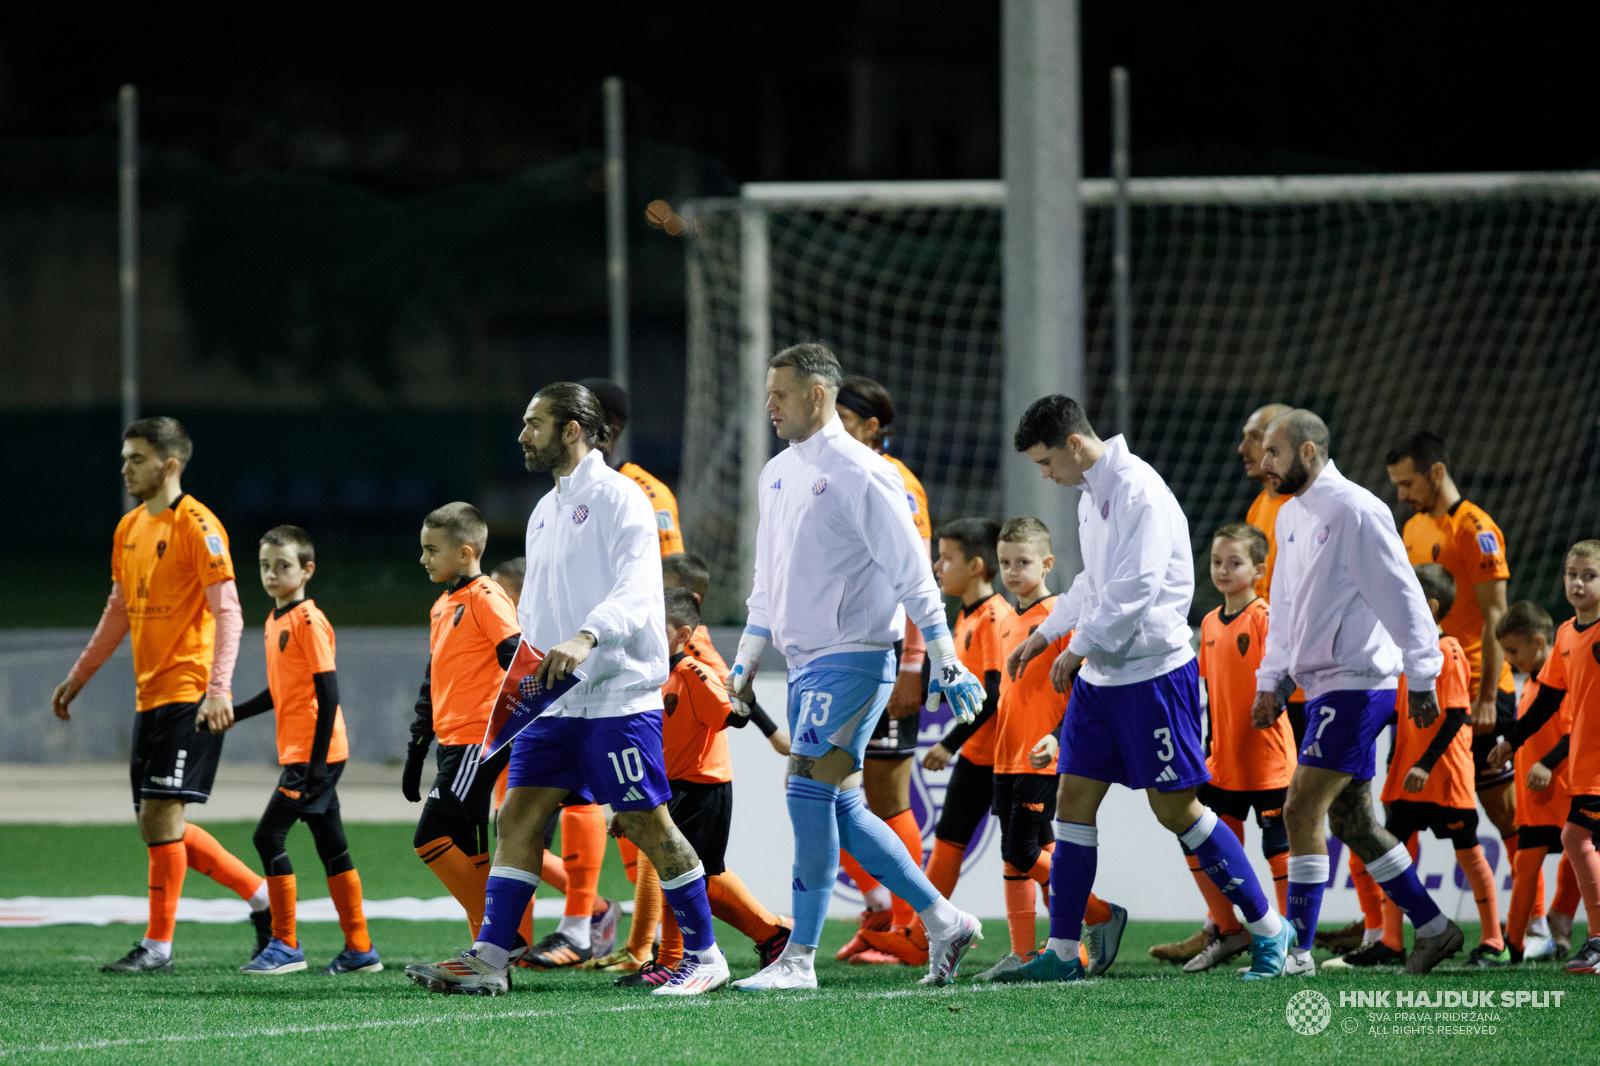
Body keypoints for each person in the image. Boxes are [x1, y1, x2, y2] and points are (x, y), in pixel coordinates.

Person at [406, 382, 728, 996]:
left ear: (574, 428)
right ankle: (492, 957)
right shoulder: (544, 509)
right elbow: (537, 613)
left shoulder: (620, 497)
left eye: (534, 424)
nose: (522, 435)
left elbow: (639, 591)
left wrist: (587, 637)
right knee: (518, 816)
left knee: (647, 823)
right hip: (554, 701)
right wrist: (520, 684)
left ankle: (706, 955)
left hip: (614, 695)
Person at [997, 396, 1290, 983]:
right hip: (1105, 678)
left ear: (1074, 446)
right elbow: (1093, 582)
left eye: (1046, 461)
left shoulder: (1139, 491)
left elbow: (1135, 588)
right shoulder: (1091, 496)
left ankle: (1267, 929)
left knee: (1176, 810)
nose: (1045, 474)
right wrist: (1051, 633)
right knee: (1072, 800)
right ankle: (1061, 953)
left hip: (1153, 675)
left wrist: (1077, 648)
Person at [725, 343, 984, 991]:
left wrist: (942, 653)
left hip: (856, 661)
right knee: (840, 805)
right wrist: (747, 657)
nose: (769, 406)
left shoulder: (864, 472)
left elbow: (911, 573)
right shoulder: (778, 472)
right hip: (809, 664)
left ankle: (798, 960)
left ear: (817, 396)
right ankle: (945, 919)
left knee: (806, 795)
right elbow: (768, 577)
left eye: (779, 394)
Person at [52, 417, 269, 973]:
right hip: (149, 697)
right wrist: (80, 675)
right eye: (125, 457)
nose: (125, 467)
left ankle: (158, 946)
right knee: (158, 824)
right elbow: (118, 610)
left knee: (161, 818)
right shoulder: (129, 528)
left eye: (135, 458)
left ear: (168, 465)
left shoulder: (199, 526)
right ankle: (262, 898)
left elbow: (230, 611)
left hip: (190, 693)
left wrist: (218, 689)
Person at [1253, 408, 1462, 976]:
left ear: (1308, 453)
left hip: (1356, 684)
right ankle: (1437, 928)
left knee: (1299, 808)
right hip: (1324, 686)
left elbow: (1404, 594)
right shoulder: (1292, 515)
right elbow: (1288, 606)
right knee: (1353, 824)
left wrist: (1423, 674)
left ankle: (1296, 952)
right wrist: (1272, 678)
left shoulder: (1356, 510)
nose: (1263, 464)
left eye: (1273, 453)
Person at [609, 589, 793, 987]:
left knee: (685, 873)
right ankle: (770, 934)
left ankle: (682, 958)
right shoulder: (654, 678)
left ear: (683, 634)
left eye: (657, 628)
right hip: (671, 786)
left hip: (701, 785)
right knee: (693, 875)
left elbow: (733, 715)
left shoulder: (694, 671)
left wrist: (745, 699)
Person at [221, 525, 379, 975]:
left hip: (317, 754)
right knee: (333, 847)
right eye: (265, 566)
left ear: (307, 570)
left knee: (266, 836)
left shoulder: (309, 620)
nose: (272, 574)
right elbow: (278, 691)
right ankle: (360, 949)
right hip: (306, 753)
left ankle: (286, 944)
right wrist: (231, 713)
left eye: (283, 565)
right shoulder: (275, 622)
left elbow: (329, 695)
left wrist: (314, 765)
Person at [1325, 565, 1498, 969]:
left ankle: (1493, 940)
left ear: (1430, 606)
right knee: (1390, 853)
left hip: (1445, 778)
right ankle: (1390, 941)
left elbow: (1457, 716)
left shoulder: (1448, 650)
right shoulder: (1402, 654)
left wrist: (1423, 763)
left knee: (1469, 855)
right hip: (1406, 780)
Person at [976, 518, 1126, 980]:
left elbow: (1083, 687)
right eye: (1005, 563)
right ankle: (1024, 954)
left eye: (1023, 562)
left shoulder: (1062, 616)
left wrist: (1058, 737)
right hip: (1006, 754)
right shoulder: (1003, 615)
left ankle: (1100, 913)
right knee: (1016, 854)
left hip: (1043, 755)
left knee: (1022, 851)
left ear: (1047, 563)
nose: (1012, 571)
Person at [830, 375, 934, 965]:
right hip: (841, 653)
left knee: (885, 797)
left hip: (890, 654)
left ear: (873, 429)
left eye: (844, 420)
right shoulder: (842, 472)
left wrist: (913, 664)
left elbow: (916, 577)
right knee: (825, 789)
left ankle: (910, 928)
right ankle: (880, 914)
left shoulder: (898, 483)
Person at [1166, 523, 1296, 975]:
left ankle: (1292, 942)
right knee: (1197, 841)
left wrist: (1276, 702)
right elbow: (1211, 692)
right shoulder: (1206, 623)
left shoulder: (1266, 618)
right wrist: (1204, 748)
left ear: (1259, 570)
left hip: (1269, 759)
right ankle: (1228, 929)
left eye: (1234, 562)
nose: (1223, 570)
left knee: (1279, 846)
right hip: (1223, 759)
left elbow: (1294, 669)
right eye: (1217, 562)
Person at [1387, 432, 1519, 873]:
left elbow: (1496, 616)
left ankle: (1533, 924)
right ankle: (1397, 925)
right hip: (1426, 686)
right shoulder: (1412, 527)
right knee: (1404, 811)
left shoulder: (1476, 529)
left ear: (1437, 473)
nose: (1401, 495)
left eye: (1408, 484)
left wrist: (1485, 698)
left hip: (1479, 690)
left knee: (1501, 810)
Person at [1489, 540, 1600, 973]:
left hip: (1589, 771)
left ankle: (1589, 938)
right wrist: (1512, 743)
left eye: (1589, 575)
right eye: (1572, 574)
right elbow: (1548, 700)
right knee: (1574, 842)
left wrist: (1542, 758)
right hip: (1585, 768)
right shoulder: (1568, 635)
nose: (1577, 582)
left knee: (1575, 839)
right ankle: (1575, 937)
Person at [918, 519, 1005, 907]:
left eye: (946, 558)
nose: (937, 567)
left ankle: (1088, 919)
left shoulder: (993, 618)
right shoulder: (966, 615)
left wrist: (949, 744)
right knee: (949, 836)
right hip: (978, 753)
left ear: (976, 566)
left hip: (1005, 757)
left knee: (1030, 850)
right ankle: (922, 934)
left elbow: (994, 693)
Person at [1491, 602, 1573, 961]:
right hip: (1537, 799)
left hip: (1567, 791)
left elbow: (1576, 732)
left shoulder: (1564, 678)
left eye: (1513, 651)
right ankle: (1517, 944)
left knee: (1579, 857)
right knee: (1526, 864)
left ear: (1539, 642)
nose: (1508, 660)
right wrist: (1509, 749)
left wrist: (1547, 764)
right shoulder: (1533, 683)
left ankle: (1559, 924)